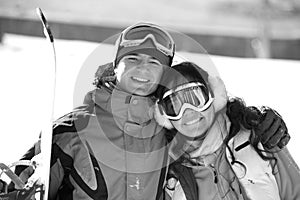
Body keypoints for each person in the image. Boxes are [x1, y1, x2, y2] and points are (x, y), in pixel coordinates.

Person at [4, 22, 290, 200]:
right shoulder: (71, 131)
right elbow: (17, 181)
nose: (143, 69)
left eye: (154, 63)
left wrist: (255, 118)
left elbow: (214, 131)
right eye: (132, 59)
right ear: (115, 66)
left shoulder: (171, 127)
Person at [153, 61, 300, 200]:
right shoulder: (170, 175)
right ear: (165, 117)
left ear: (214, 96)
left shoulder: (260, 138)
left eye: (195, 98)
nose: (188, 112)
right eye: (174, 106)